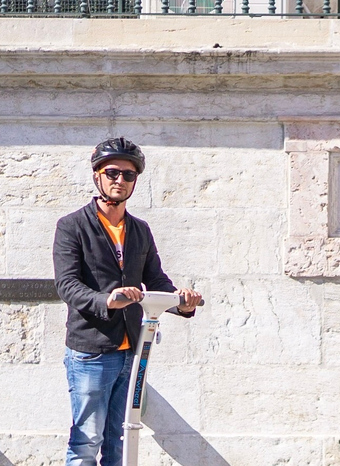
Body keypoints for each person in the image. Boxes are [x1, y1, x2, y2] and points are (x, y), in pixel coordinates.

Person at [52, 137, 202, 466]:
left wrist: (181, 303)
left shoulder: (140, 230)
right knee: (87, 439)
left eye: (128, 175)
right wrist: (108, 300)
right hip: (91, 351)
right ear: (97, 176)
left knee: (119, 438)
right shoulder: (72, 227)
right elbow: (67, 285)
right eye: (112, 173)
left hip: (131, 350)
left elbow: (157, 279)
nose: (120, 180)